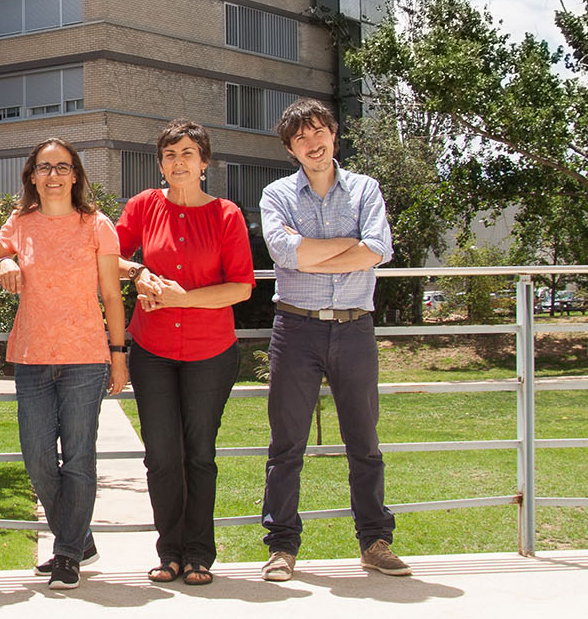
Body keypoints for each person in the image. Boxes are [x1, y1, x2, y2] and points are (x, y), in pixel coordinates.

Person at [257, 98, 410, 581]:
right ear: (290, 148)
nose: (313, 142)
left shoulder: (365, 188)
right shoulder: (276, 194)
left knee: (364, 442)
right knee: (287, 445)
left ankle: (375, 542)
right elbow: (283, 252)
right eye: (301, 137)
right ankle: (282, 547)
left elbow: (379, 249)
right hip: (296, 328)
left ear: (334, 135)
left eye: (319, 131)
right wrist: (350, 247)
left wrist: (310, 255)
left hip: (354, 329)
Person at [116, 119, 254, 586]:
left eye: (188, 153)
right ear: (160, 163)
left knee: (199, 453)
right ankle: (169, 551)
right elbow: (106, 255)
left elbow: (240, 288)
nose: (179, 162)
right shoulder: (142, 207)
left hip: (210, 351)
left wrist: (184, 299)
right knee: (160, 455)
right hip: (152, 349)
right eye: (170, 154)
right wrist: (137, 272)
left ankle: (199, 553)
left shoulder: (227, 215)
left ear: (204, 163)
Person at [0, 138, 128, 592]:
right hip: (31, 356)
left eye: (62, 167)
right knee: (38, 460)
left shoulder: (97, 224)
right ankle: (79, 536)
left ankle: (66, 553)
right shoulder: (20, 223)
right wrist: (5, 261)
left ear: (75, 175)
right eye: (44, 167)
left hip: (85, 357)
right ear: (32, 175)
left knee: (80, 458)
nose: (53, 175)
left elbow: (111, 294)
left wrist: (118, 355)